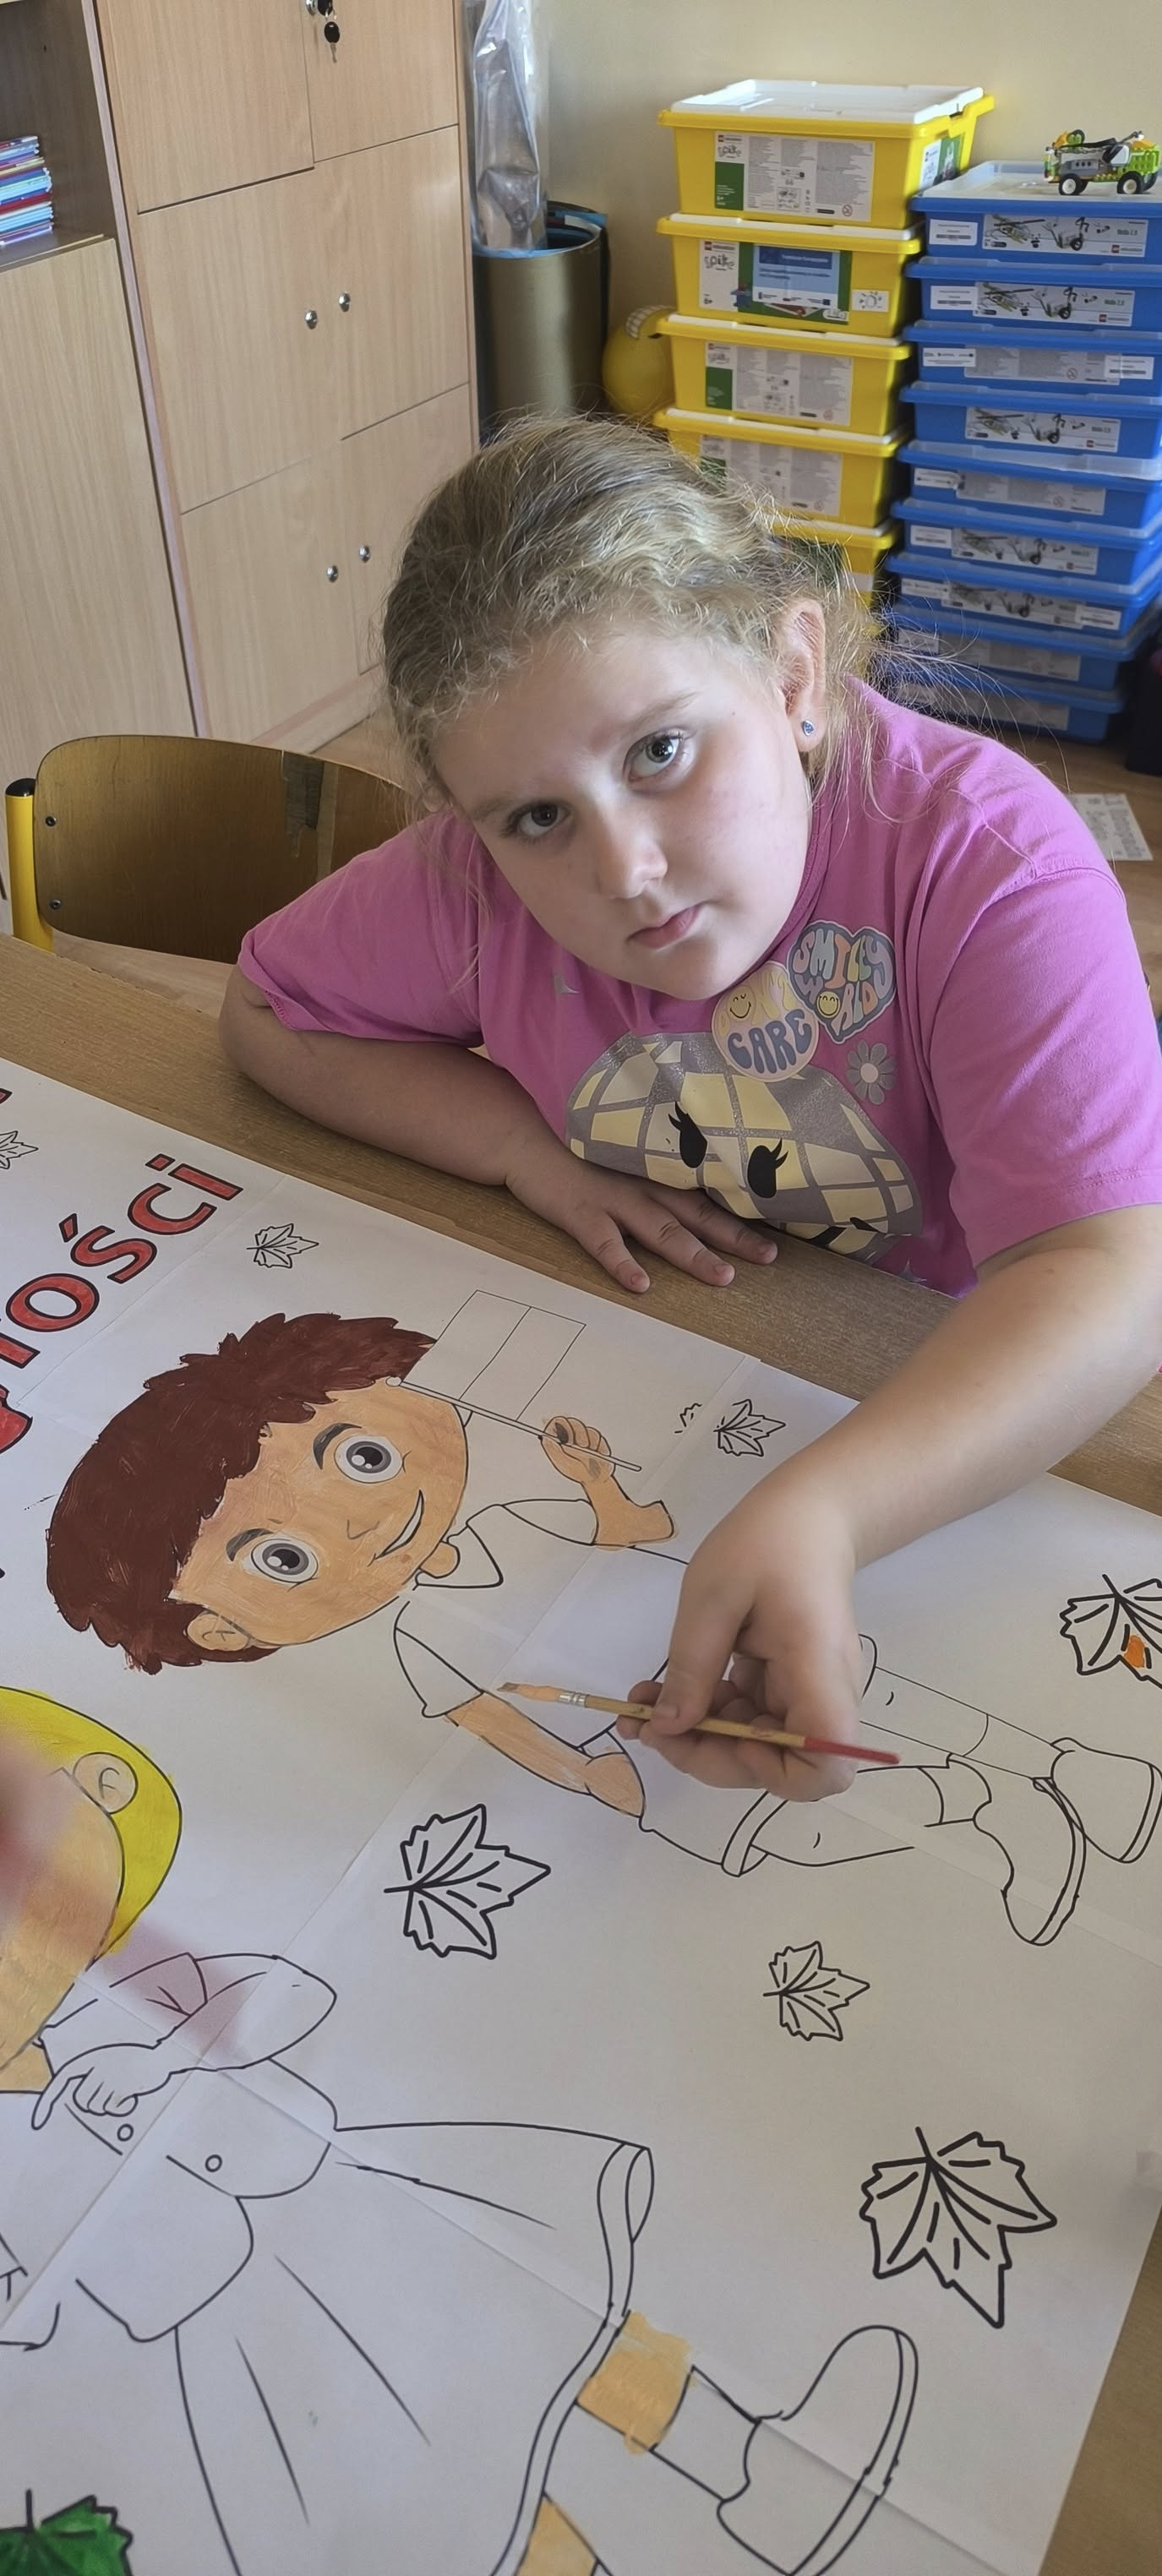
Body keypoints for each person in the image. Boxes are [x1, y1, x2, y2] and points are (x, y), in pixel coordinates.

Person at [217, 417, 1162, 1815]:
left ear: (792, 675)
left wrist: (828, 1511)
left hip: (960, 1394)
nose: (627, 870)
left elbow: (1105, 1273)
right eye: (538, 819)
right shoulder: (471, 885)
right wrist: (517, 1148)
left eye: (661, 750)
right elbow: (267, 1007)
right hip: (687, 1370)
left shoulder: (989, 863)